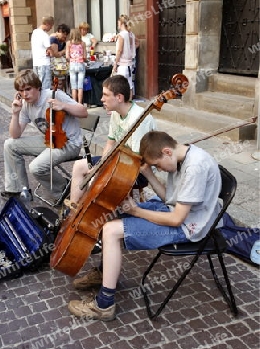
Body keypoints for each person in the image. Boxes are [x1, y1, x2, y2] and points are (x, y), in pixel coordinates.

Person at [68, 130, 222, 321]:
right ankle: (104, 273)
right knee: (109, 213)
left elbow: (176, 220)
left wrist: (136, 211)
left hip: (190, 226)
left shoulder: (195, 167)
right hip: (174, 211)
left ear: (166, 151)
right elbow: (169, 198)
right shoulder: (179, 156)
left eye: (157, 165)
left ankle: (104, 305)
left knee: (111, 230)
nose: (160, 169)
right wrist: (148, 174)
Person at [68, 74, 156, 208]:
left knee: (97, 181)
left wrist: (101, 171)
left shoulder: (138, 118)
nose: (101, 99)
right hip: (119, 161)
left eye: (105, 95)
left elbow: (137, 160)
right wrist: (100, 165)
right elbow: (110, 143)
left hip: (138, 170)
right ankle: (73, 211)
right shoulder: (116, 113)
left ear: (119, 97)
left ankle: (98, 216)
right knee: (80, 166)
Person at [1, 69, 88, 202]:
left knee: (36, 167)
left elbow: (83, 112)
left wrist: (63, 105)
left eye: (28, 89)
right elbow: (15, 135)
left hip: (68, 142)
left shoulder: (54, 95)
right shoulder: (25, 105)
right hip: (50, 140)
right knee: (10, 145)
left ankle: (64, 189)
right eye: (21, 91)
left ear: (37, 87)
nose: (25, 94)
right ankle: (17, 190)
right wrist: (15, 113)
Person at [112, 15, 138, 93]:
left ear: (121, 23)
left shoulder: (121, 35)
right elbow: (137, 43)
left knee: (120, 87)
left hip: (122, 65)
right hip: (130, 64)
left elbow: (119, 50)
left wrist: (115, 64)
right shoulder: (131, 34)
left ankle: (122, 104)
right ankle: (129, 103)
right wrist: (130, 51)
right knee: (129, 85)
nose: (117, 24)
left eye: (118, 22)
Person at [31, 16, 54, 90]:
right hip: (44, 63)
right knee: (45, 88)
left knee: (37, 87)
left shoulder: (34, 32)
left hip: (36, 63)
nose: (51, 28)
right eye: (51, 26)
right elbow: (51, 52)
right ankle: (45, 101)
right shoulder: (45, 35)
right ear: (47, 24)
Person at [66, 28, 87, 104]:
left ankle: (74, 103)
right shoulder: (83, 43)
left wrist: (70, 60)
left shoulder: (69, 43)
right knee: (80, 86)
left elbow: (67, 57)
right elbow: (84, 57)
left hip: (72, 65)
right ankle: (80, 103)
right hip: (80, 64)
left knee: (74, 87)